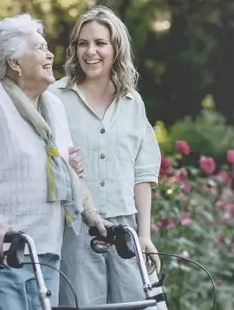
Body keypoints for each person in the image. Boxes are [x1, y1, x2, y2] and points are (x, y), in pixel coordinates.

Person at [0, 13, 108, 310]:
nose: (50, 54)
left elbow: (68, 171)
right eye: (39, 48)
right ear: (14, 62)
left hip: (45, 247)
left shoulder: (54, 107)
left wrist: (92, 215)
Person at [49, 5, 163, 307]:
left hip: (125, 230)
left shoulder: (132, 102)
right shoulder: (55, 99)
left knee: (137, 303)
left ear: (116, 49)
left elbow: (143, 173)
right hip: (76, 229)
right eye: (83, 43)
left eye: (100, 43)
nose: (90, 52)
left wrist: (145, 235)